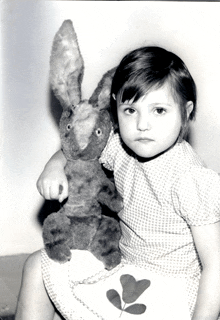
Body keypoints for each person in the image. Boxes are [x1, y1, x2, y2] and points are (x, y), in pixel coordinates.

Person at [15, 46, 220, 320]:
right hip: (124, 266)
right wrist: (53, 166)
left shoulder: (191, 179)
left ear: (186, 111)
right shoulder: (121, 148)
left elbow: (216, 265)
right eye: (130, 110)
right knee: (37, 266)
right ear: (115, 107)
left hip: (171, 291)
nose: (142, 124)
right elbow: (78, 147)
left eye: (159, 110)